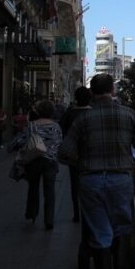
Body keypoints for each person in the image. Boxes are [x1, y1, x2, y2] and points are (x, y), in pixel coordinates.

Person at [59, 74, 135, 269]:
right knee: (122, 228)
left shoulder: (83, 119)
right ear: (113, 91)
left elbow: (64, 153)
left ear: (92, 92)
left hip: (90, 180)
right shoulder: (128, 114)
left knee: (100, 232)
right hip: (121, 178)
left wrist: (82, 162)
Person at [12, 100, 62, 230]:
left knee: (33, 187)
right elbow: (59, 143)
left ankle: (32, 213)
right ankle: (49, 219)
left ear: (38, 112)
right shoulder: (56, 127)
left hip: (35, 160)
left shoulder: (32, 126)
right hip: (51, 161)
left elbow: (19, 141)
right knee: (50, 190)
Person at [59, 86, 92, 223]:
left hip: (74, 156)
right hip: (91, 155)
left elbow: (63, 133)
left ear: (76, 98)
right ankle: (88, 212)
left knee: (74, 184)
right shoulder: (94, 113)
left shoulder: (69, 114)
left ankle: (76, 213)